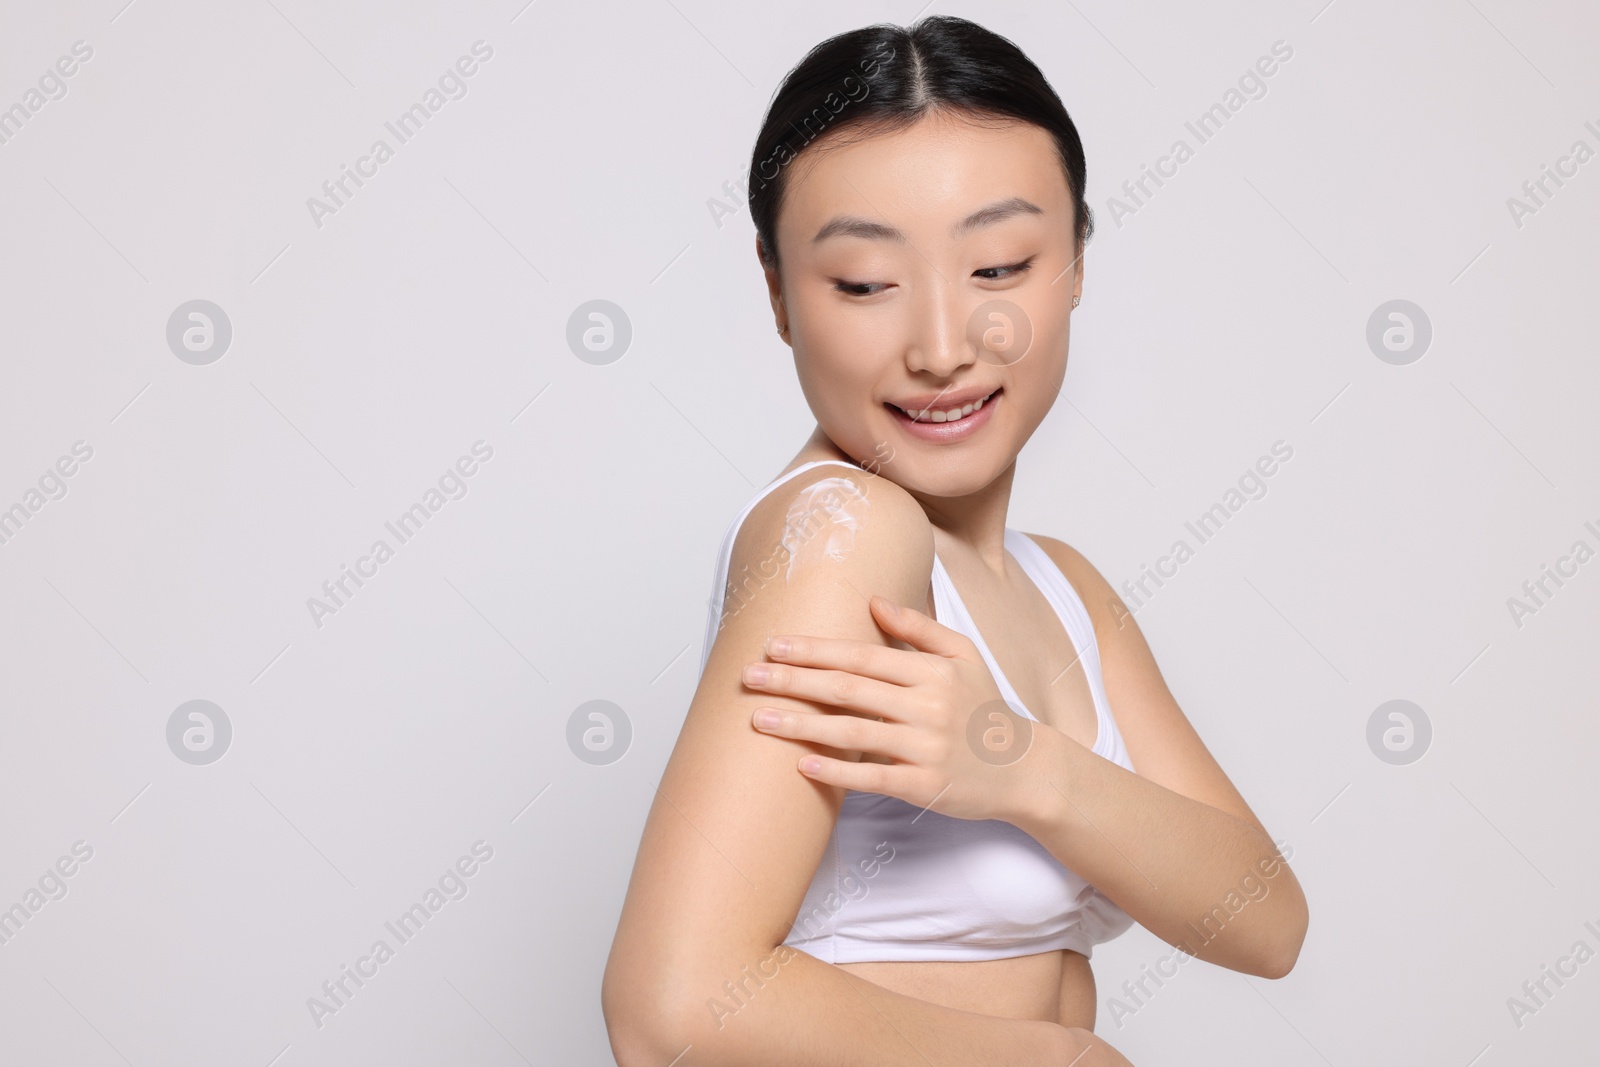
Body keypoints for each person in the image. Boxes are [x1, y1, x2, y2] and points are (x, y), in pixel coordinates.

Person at [602, 15, 1308, 1065]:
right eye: (862, 283)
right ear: (777, 291)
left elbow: (1264, 920)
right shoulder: (846, 532)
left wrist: (1019, 764)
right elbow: (670, 1009)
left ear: (1074, 260)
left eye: (999, 266)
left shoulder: (1061, 584)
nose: (940, 348)